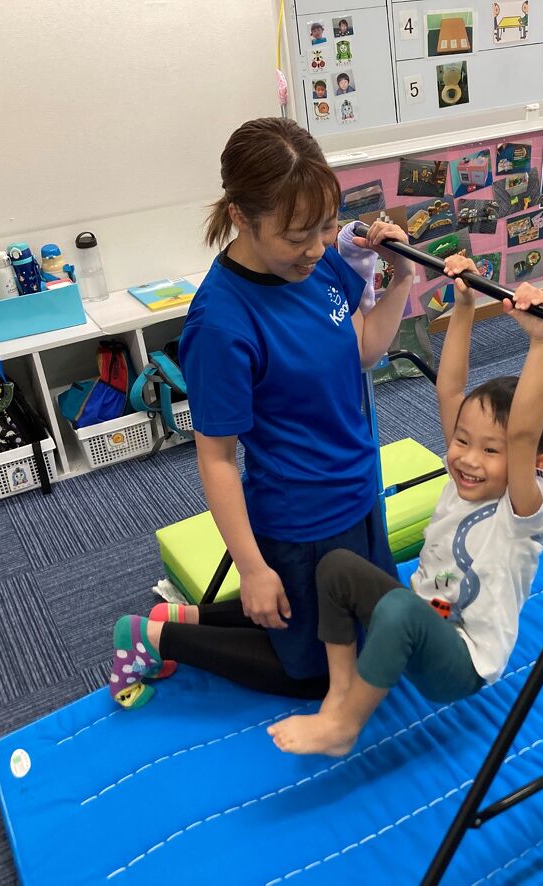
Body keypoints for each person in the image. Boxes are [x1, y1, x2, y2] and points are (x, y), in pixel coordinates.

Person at [107, 118, 417, 710]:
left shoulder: (317, 264)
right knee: (319, 672)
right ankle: (151, 637)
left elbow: (362, 349)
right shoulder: (221, 325)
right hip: (301, 517)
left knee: (363, 628)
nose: (317, 248)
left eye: (325, 227)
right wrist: (251, 567)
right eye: (297, 236)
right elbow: (217, 459)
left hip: (358, 488)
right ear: (242, 217)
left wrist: (401, 275)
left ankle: (187, 615)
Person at [267, 257, 543, 756]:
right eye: (462, 441)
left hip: (462, 659)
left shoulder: (521, 511)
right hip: (425, 618)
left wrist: (541, 342)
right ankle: (341, 690)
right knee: (336, 565)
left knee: (400, 609)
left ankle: (344, 728)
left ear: (532, 465)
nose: (467, 459)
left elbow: (523, 433)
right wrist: (464, 305)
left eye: (491, 450)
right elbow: (450, 388)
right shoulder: (466, 477)